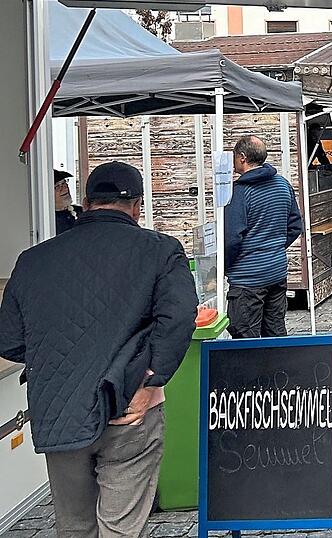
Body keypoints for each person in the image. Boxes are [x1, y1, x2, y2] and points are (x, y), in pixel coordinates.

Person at [0, 161, 198, 537]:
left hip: (59, 412)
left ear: (87, 203)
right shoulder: (161, 252)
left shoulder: (32, 261)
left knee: (74, 526)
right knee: (121, 528)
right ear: (138, 206)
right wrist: (150, 383)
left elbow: (9, 341)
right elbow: (177, 321)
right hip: (129, 405)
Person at [224, 135, 303, 339]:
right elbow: (295, 225)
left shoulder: (240, 192)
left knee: (245, 339)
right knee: (275, 333)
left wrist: (224, 266)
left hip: (247, 277)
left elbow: (232, 238)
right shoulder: (282, 184)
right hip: (276, 272)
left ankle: (253, 372)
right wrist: (273, 248)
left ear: (242, 157)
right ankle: (279, 371)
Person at [53, 169, 83, 235]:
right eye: (57, 186)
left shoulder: (80, 211)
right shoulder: (47, 219)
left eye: (64, 183)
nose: (65, 188)